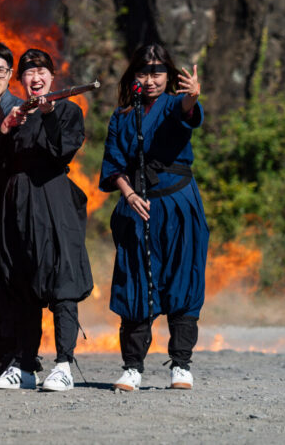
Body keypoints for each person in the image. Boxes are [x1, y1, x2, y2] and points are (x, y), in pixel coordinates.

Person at [99, 43, 205, 391]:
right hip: (137, 205)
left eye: (158, 72)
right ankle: (132, 367)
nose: (150, 78)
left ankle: (181, 365)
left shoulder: (176, 103)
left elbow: (187, 112)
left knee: (182, 279)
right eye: (144, 71)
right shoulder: (122, 116)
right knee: (135, 282)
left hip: (178, 205)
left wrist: (192, 97)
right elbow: (113, 164)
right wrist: (128, 194)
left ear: (169, 76)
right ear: (134, 76)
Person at [0, 48, 93, 392]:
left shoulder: (67, 110)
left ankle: (63, 364)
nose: (36, 78)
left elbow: (61, 151)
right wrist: (3, 129)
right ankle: (26, 364)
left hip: (53, 199)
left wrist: (47, 116)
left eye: (42, 71)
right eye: (29, 73)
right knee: (21, 284)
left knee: (61, 279)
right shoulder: (15, 115)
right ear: (22, 80)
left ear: (52, 76)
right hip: (17, 204)